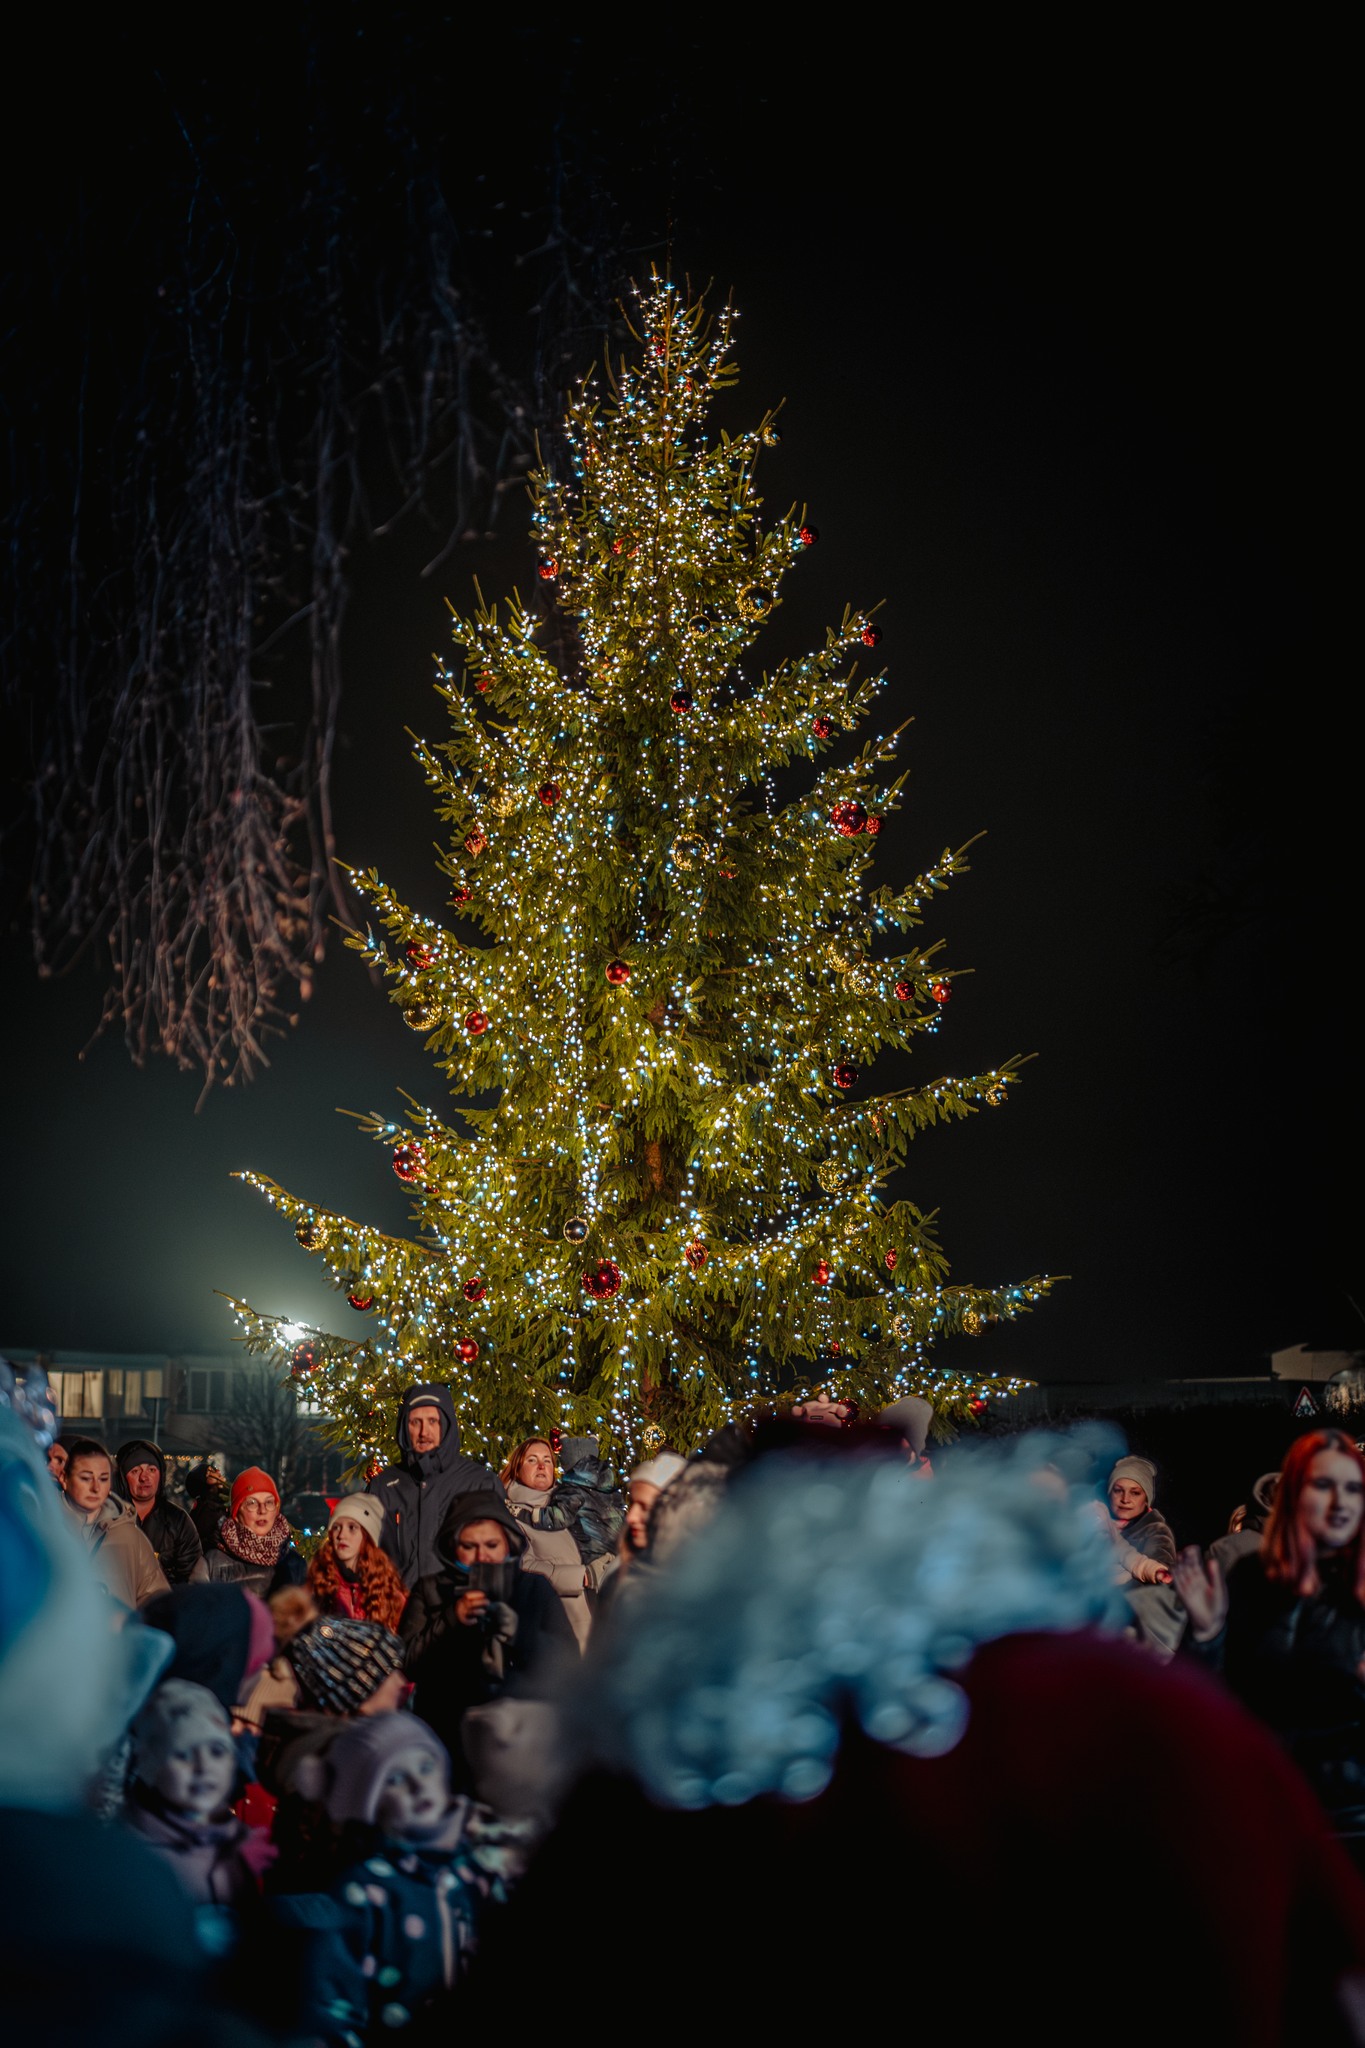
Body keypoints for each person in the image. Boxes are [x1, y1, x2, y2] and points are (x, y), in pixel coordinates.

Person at [278, 1712, 531, 2042]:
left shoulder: (486, 1868)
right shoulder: (363, 1890)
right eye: (394, 1779)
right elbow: (334, 2004)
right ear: (368, 1803)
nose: (418, 1785)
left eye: (426, 1767)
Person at [1175, 1428, 1365, 1835]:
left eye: (1353, 1488)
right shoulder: (1251, 1577)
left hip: (1350, 1818)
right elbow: (1204, 1699)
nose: (1340, 1502)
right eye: (1324, 1485)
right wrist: (1206, 1634)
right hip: (1265, 1805)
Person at [400, 1492, 575, 1772]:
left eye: (491, 1545)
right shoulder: (431, 1589)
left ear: (508, 1544)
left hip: (518, 1739)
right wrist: (451, 1619)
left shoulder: (533, 1588)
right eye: (470, 1546)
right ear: (452, 1546)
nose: (482, 1556)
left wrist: (520, 1634)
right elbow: (407, 1662)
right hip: (446, 1735)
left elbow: (566, 1663)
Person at [123, 1678, 274, 1906]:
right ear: (151, 1765)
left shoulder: (237, 1844)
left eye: (217, 1751)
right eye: (183, 1754)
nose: (203, 1768)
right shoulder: (133, 1857)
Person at [367, 1383, 504, 1587]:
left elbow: (502, 1558)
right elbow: (366, 1556)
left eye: (433, 1421)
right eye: (416, 1422)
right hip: (400, 1610)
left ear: (446, 1425)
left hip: (460, 1610)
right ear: (405, 1427)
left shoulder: (480, 1483)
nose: (424, 1432)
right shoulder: (384, 1486)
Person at [501, 1436, 598, 1649]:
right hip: (558, 1621)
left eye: (547, 1460)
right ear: (517, 1468)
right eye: (532, 1460)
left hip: (598, 1615)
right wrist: (579, 1576)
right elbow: (522, 1568)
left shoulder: (570, 1504)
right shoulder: (512, 1514)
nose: (542, 1465)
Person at [61, 1436, 170, 1609]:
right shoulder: (41, 1529)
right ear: (64, 1479)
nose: (96, 1488)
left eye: (103, 1479)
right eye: (86, 1478)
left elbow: (157, 1603)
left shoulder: (130, 1537)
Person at [306, 1494, 409, 1631]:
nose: (341, 1535)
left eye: (352, 1528)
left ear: (367, 1535)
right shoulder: (318, 1584)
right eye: (336, 1527)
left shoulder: (389, 1592)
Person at [203, 1467, 307, 1600]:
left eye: (269, 1502)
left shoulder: (294, 1564)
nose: (262, 1510)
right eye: (252, 1503)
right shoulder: (212, 1563)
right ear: (236, 1512)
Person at [116, 1439, 205, 1585]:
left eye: (151, 1470)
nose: (144, 1477)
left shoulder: (178, 1521)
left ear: (161, 1475)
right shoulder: (108, 1519)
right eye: (135, 1471)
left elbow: (191, 1578)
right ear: (123, 1479)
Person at [184, 1459, 230, 1551]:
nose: (217, 1472)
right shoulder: (208, 1508)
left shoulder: (218, 1502)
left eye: (214, 1469)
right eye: (210, 1472)